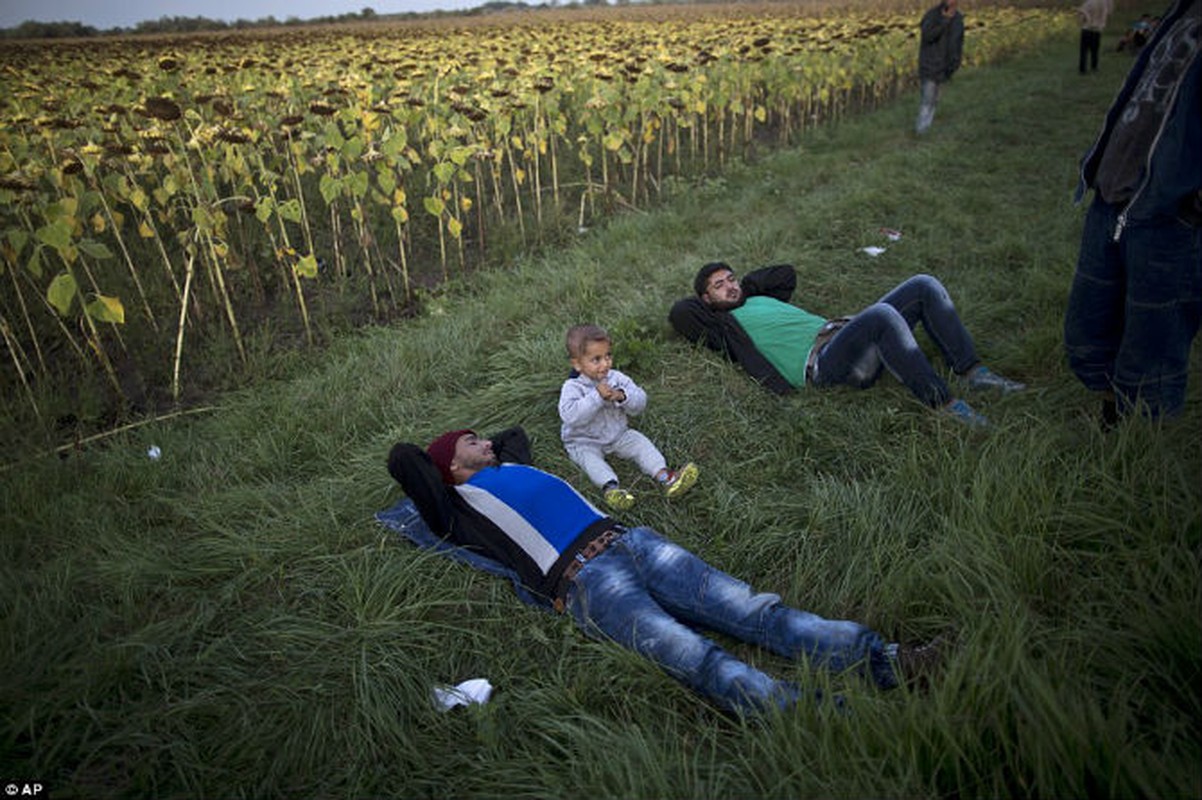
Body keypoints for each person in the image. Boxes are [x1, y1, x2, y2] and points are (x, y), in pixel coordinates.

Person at [386, 426, 943, 715]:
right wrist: (445, 467)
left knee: (751, 609)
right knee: (696, 656)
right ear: (450, 468)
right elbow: (404, 459)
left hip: (637, 543)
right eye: (469, 441)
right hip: (586, 582)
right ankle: (821, 716)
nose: (485, 440)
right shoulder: (458, 510)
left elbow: (511, 438)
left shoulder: (510, 467)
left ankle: (888, 662)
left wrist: (482, 449)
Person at [1064, 0, 1201, 424]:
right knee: (1090, 331)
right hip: (1116, 193)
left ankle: (1136, 453)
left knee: (1152, 351)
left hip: (1171, 212)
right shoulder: (1184, 11)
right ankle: (1113, 416)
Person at [669, 264, 1025, 427]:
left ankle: (972, 370)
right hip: (825, 363)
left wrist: (745, 285)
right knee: (883, 315)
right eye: (719, 286)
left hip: (844, 334)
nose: (731, 286)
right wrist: (711, 304)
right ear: (705, 299)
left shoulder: (756, 297)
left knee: (923, 283)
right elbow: (679, 313)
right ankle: (944, 405)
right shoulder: (724, 326)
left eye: (732, 279)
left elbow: (785, 274)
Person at [559, 324, 698, 510]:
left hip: (618, 434)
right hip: (584, 440)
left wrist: (623, 396)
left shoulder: (616, 378)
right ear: (577, 364)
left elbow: (641, 402)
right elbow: (570, 416)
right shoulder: (573, 387)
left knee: (641, 444)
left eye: (608, 356)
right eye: (596, 359)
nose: (605, 364)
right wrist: (596, 397)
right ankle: (612, 489)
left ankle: (667, 477)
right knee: (591, 461)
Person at [915, 0, 965, 134]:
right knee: (927, 100)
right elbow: (928, 36)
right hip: (930, 65)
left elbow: (958, 42)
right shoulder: (932, 15)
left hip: (946, 67)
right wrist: (945, 20)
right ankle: (921, 132)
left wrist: (955, 62)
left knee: (935, 100)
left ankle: (926, 130)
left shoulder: (959, 18)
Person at [1079, 0, 1114, 74]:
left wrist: (1083, 20)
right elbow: (1109, 12)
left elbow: (1082, 15)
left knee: (1084, 50)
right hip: (1097, 29)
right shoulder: (1104, 3)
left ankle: (1083, 69)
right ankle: (1094, 67)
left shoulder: (1088, 3)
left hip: (1087, 28)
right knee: (1095, 50)